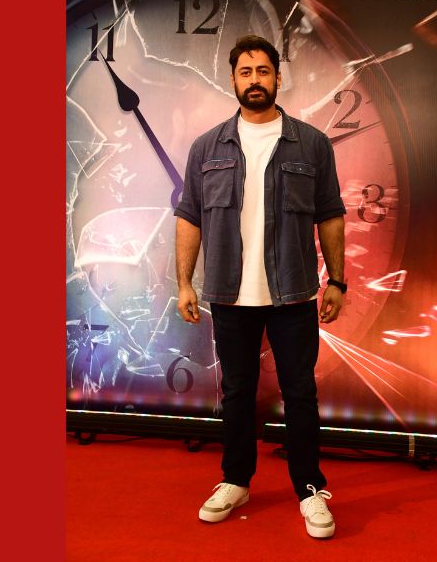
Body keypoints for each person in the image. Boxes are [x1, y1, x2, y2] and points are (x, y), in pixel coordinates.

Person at [173, 34, 347, 539]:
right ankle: (235, 480)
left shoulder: (311, 143)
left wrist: (337, 280)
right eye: (245, 71)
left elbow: (330, 214)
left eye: (263, 71)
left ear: (277, 77)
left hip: (294, 294)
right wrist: (184, 282)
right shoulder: (207, 147)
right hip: (230, 295)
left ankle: (310, 489)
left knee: (300, 394)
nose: (255, 80)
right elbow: (189, 216)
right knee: (236, 392)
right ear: (233, 79)